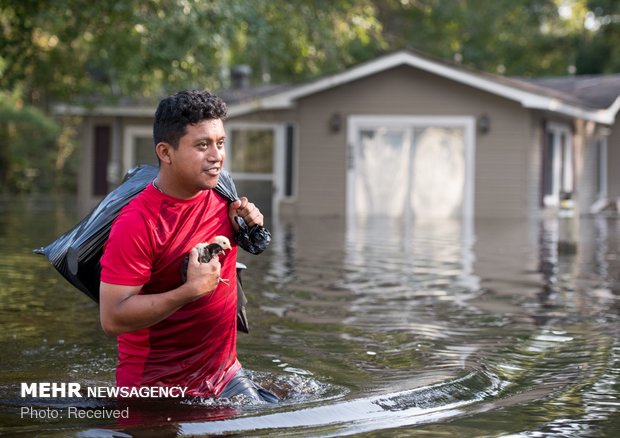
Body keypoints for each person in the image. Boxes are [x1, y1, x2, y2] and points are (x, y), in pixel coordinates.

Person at [99, 89, 277, 402]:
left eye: (220, 143)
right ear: (165, 153)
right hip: (158, 391)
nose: (217, 155)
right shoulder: (138, 223)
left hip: (226, 376)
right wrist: (189, 292)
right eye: (202, 145)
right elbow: (112, 318)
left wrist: (251, 227)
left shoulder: (224, 194)